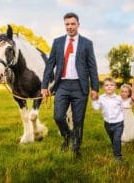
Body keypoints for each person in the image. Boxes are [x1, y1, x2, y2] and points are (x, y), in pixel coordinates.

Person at [41, 12, 99, 156]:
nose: (70, 27)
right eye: (67, 24)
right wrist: (44, 86)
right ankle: (68, 136)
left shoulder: (87, 43)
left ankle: (76, 149)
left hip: (80, 87)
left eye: (73, 24)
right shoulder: (58, 42)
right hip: (62, 86)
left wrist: (95, 88)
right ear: (64, 25)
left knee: (78, 120)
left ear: (78, 24)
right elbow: (50, 65)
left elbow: (92, 66)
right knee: (58, 116)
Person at [92, 78, 124, 163]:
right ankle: (116, 146)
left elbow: (122, 109)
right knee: (113, 139)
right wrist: (94, 100)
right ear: (103, 87)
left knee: (116, 139)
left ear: (115, 87)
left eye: (111, 85)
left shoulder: (119, 98)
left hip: (118, 123)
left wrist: (120, 117)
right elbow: (96, 108)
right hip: (107, 124)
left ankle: (118, 157)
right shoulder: (101, 98)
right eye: (106, 85)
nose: (109, 87)